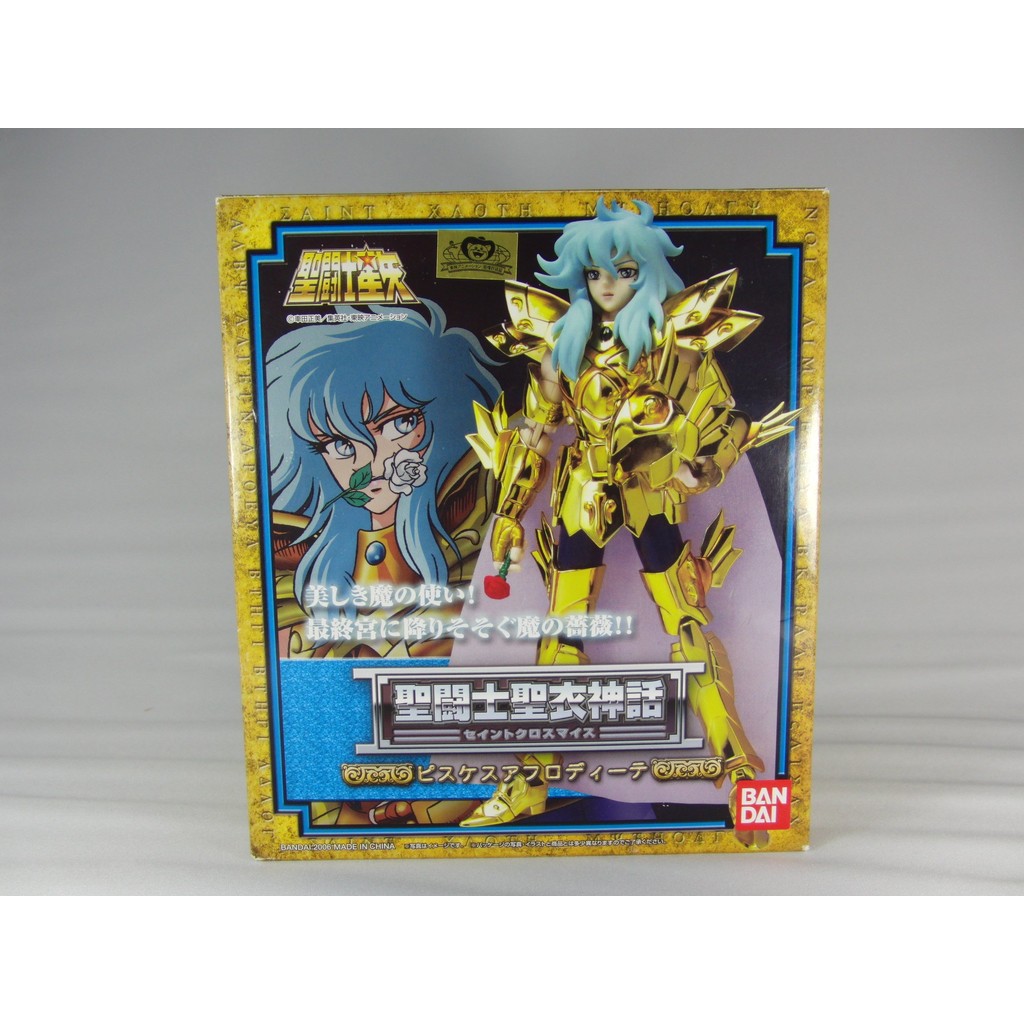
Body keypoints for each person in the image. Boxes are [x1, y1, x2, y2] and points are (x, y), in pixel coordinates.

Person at [462, 199, 796, 841]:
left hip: (651, 489)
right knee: (562, 632)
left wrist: (704, 469)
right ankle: (532, 779)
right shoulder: (563, 350)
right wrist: (507, 512)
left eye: (622, 270)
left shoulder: (678, 347)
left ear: (647, 273)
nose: (607, 284)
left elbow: (722, 421)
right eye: (593, 273)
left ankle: (740, 770)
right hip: (583, 490)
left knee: (688, 622)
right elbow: (534, 434)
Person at [267, 301, 500, 660]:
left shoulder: (481, 538)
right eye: (341, 444)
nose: (370, 462)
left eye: (398, 424)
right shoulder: (305, 574)